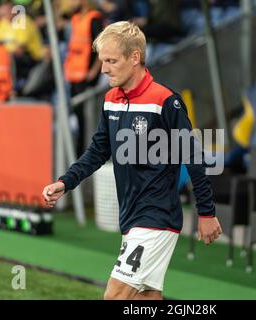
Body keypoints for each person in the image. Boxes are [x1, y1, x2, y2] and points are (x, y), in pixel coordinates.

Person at [42, 21, 222, 300]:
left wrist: (206, 212)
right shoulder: (111, 99)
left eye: (112, 61)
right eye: (102, 61)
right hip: (131, 216)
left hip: (156, 216)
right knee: (145, 299)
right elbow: (98, 151)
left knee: (114, 296)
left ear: (134, 57)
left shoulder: (165, 101)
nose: (103, 69)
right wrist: (66, 182)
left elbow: (193, 156)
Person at [64, 0, 104, 156]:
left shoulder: (94, 18)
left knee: (85, 118)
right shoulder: (75, 19)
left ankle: (84, 153)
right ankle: (78, 152)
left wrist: (94, 71)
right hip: (73, 74)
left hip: (86, 77)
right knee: (77, 117)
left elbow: (100, 45)